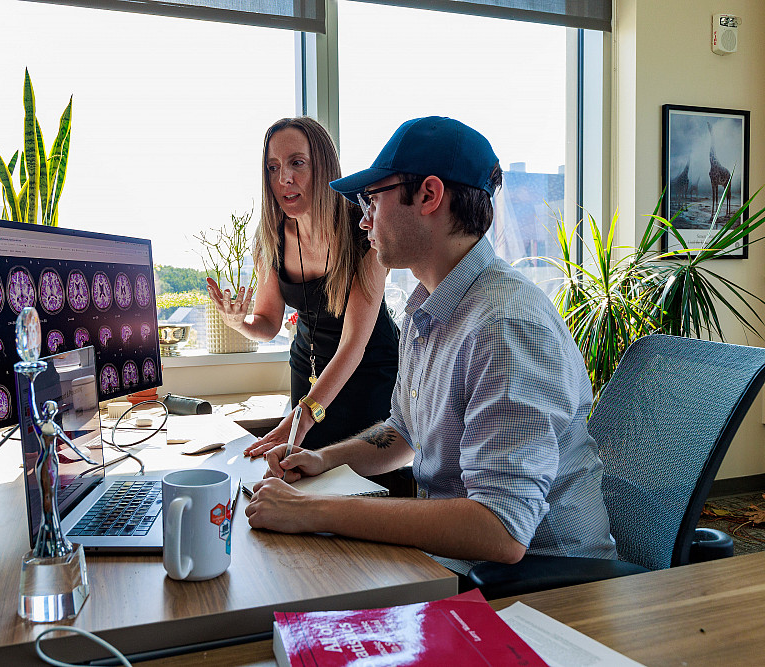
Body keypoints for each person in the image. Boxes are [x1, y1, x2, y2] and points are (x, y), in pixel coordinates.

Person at [244, 116, 617, 575]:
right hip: (458, 568)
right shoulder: (431, 312)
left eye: (373, 200)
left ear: (428, 196)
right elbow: (402, 434)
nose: (363, 220)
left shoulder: (504, 325)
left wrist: (314, 512)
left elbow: (500, 529)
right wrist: (322, 459)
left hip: (542, 592)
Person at [207, 117, 399, 451]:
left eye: (297, 163)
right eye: (273, 167)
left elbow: (354, 343)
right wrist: (240, 323)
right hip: (308, 375)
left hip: (368, 372)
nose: (284, 178)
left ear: (324, 167)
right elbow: (267, 323)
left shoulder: (365, 228)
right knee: (306, 480)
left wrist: (305, 414)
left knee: (361, 488)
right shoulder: (270, 237)